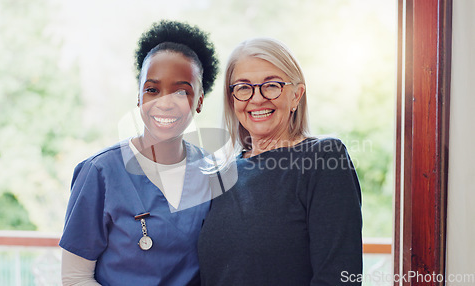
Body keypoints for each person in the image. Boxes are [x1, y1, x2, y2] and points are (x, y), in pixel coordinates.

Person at [59, 20, 219, 285]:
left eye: (181, 91)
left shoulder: (213, 172)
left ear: (199, 101)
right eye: (152, 90)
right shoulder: (100, 173)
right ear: (139, 97)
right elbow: (75, 278)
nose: (165, 103)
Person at [198, 37, 363, 285]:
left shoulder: (324, 158)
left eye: (271, 85)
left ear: (296, 95)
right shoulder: (219, 174)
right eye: (243, 87)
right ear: (232, 99)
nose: (256, 98)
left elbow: (340, 278)